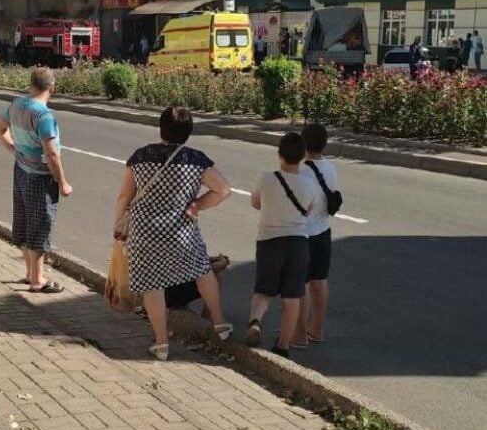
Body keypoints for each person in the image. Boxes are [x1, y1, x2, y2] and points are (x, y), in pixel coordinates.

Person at [114, 107, 232, 361]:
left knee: (152, 285)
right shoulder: (196, 160)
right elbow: (223, 190)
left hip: (144, 231)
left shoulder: (140, 157)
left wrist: (118, 227)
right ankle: (220, 323)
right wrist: (197, 205)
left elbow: (125, 195)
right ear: (188, 132)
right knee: (202, 271)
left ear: (161, 128)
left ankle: (161, 344)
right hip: (182, 231)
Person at [0, 67, 73, 294]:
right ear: (52, 88)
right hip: (40, 178)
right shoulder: (44, 116)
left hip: (20, 171)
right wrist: (63, 182)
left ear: (31, 85)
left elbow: (0, 127)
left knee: (24, 221)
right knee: (40, 225)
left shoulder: (17, 104)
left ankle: (30, 272)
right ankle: (38, 280)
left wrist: (13, 148)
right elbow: (51, 154)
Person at [246, 132, 315, 359]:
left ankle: (255, 321)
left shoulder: (266, 178)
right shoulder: (308, 184)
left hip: (269, 241)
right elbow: (309, 211)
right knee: (292, 296)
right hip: (298, 243)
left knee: (263, 290)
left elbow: (256, 202)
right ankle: (283, 345)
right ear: (304, 156)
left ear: (279, 154)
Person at [291, 124, 338, 348]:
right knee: (320, 282)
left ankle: (299, 335)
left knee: (302, 284)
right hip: (323, 232)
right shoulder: (330, 168)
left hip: (303, 234)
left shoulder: (300, 171)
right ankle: (317, 329)